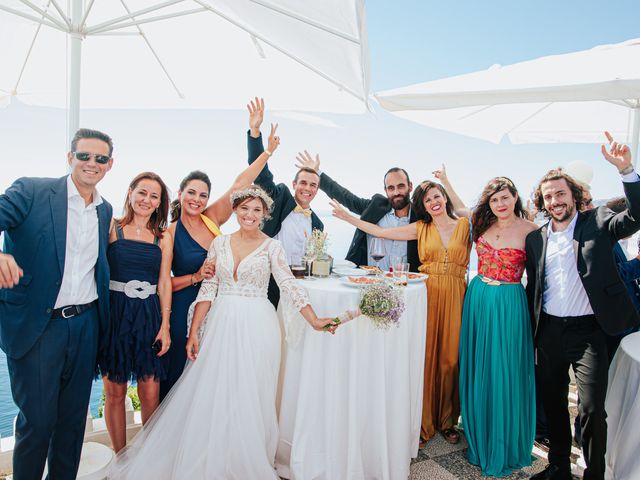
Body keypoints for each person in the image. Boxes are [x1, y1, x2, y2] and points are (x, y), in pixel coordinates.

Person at [107, 186, 338, 479]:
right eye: (244, 209)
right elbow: (209, 287)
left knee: (251, 392)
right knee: (213, 387)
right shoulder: (220, 243)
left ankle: (245, 458)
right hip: (220, 323)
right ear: (236, 211)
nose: (249, 215)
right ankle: (213, 454)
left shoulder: (272, 247)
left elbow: (289, 285)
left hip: (258, 325)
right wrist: (193, 333)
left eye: (256, 210)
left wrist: (314, 319)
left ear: (265, 214)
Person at [526, 132, 640, 480]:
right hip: (549, 331)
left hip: (589, 331)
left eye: (561, 193)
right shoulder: (536, 238)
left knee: (591, 408)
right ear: (543, 203)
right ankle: (558, 467)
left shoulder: (600, 222)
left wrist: (627, 170)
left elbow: (636, 216)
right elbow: (535, 286)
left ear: (574, 195)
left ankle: (594, 475)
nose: (555, 200)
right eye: (548, 196)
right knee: (555, 404)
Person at [0, 128, 113, 479]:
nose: (91, 163)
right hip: (39, 327)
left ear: (110, 164)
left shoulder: (104, 210)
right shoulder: (31, 191)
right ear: (70, 158)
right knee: (38, 421)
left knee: (72, 423)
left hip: (86, 325)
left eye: (100, 158)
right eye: (84, 156)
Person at [331, 180, 471, 444]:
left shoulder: (465, 226)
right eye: (428, 200)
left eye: (437, 196)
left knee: (451, 358)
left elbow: (470, 211)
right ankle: (423, 421)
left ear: (444, 198)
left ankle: (448, 421)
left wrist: (449, 181)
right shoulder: (421, 228)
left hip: (457, 294)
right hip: (427, 294)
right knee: (426, 356)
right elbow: (380, 233)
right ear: (423, 206)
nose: (433, 202)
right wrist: (348, 218)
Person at [160, 99, 282, 400]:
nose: (197, 199)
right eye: (191, 192)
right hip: (184, 305)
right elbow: (162, 284)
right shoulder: (170, 233)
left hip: (220, 309)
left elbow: (242, 182)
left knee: (214, 383)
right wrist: (196, 276)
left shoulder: (213, 218)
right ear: (179, 193)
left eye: (203, 195)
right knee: (180, 376)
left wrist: (262, 147)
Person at [436, 167, 538, 476]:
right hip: (478, 299)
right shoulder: (481, 222)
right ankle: (479, 435)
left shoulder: (532, 230)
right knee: (480, 365)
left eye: (505, 198)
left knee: (504, 368)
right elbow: (459, 206)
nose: (500, 204)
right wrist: (446, 181)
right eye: (494, 200)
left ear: (515, 197)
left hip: (509, 303)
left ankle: (504, 440)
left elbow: (542, 273)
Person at [97, 172, 173, 453]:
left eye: (154, 196)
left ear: (159, 203)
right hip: (116, 314)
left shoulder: (162, 237)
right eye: (142, 192)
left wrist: (164, 325)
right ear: (130, 193)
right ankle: (121, 456)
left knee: (151, 392)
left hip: (149, 316)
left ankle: (148, 457)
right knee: (114, 392)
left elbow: (164, 281)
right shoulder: (111, 227)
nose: (147, 200)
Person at [247, 100, 323, 307]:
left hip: (300, 287)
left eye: (313, 185)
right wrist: (255, 132)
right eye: (303, 183)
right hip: (269, 282)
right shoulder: (280, 196)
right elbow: (260, 174)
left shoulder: (318, 223)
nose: (307, 188)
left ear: (317, 189)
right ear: (294, 184)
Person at [295, 152, 419, 271]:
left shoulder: (421, 216)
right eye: (391, 188)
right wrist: (317, 173)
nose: (396, 192)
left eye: (401, 186)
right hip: (368, 281)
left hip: (406, 284)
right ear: (386, 190)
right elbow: (345, 196)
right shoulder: (376, 206)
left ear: (410, 186)